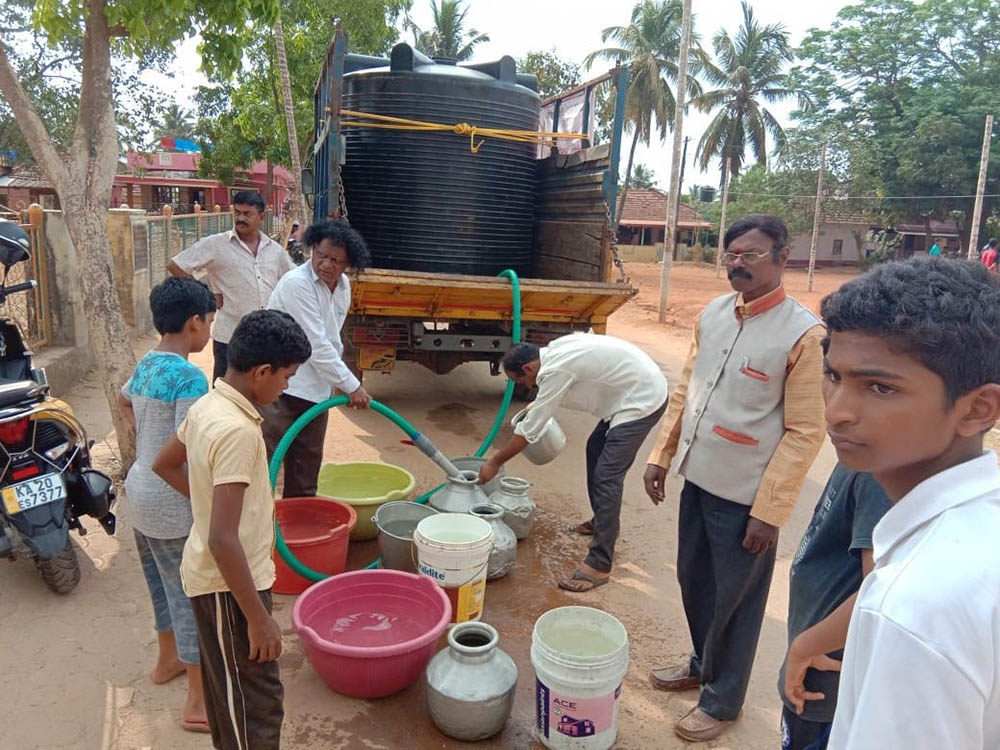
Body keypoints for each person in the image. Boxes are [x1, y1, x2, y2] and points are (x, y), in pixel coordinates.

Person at [642, 215, 826, 742]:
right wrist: (661, 454)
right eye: (731, 255)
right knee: (693, 580)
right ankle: (704, 663)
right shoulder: (715, 314)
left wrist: (769, 512)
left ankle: (722, 704)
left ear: (783, 257)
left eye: (751, 254)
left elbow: (805, 432)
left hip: (746, 498)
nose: (738, 263)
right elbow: (687, 390)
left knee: (737, 602)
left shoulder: (803, 335)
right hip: (699, 478)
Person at [818, 257, 1000, 749]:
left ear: (977, 409)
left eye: (880, 387)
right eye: (833, 375)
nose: (837, 413)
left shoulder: (916, 605)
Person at [152, 310, 312, 750]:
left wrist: (205, 505)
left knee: (232, 698)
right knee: (255, 707)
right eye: (286, 377)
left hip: (221, 579)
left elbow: (164, 463)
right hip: (230, 589)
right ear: (262, 372)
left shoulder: (209, 404)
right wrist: (259, 620)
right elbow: (223, 539)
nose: (286, 388)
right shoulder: (238, 431)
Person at [478, 333, 668, 592]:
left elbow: (528, 434)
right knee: (595, 450)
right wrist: (539, 403)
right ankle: (603, 522)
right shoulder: (552, 351)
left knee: (607, 476)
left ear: (528, 367)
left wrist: (494, 463)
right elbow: (549, 395)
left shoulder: (555, 369)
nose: (524, 386)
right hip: (630, 390)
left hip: (642, 400)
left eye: (520, 380)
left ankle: (600, 563)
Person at [118, 277, 215, 734]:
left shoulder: (146, 365)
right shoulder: (191, 377)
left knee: (160, 585)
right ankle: (197, 702)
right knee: (190, 597)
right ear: (195, 322)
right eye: (210, 321)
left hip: (138, 493)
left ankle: (166, 662)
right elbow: (185, 450)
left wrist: (145, 438)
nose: (210, 329)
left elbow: (123, 402)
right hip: (171, 500)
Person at [777, 465, 891, 750]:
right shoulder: (855, 455)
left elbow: (878, 592)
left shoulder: (876, 477)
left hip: (825, 667)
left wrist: (806, 646)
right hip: (815, 651)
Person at [265, 220, 372, 498]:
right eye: (321, 255)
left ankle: (299, 532)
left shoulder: (344, 287)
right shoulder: (296, 285)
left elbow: (332, 338)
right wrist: (351, 385)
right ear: (312, 248)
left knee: (306, 471)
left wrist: (336, 382)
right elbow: (317, 345)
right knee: (263, 464)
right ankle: (257, 531)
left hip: (315, 394)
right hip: (281, 389)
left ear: (348, 263)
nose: (326, 264)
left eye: (336, 260)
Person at [168, 191, 294, 383]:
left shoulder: (275, 251)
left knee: (262, 396)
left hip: (267, 340)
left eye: (247, 214)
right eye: (237, 213)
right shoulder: (216, 244)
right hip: (229, 338)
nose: (240, 218)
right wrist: (207, 295)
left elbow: (291, 280)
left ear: (261, 217)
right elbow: (176, 265)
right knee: (225, 395)